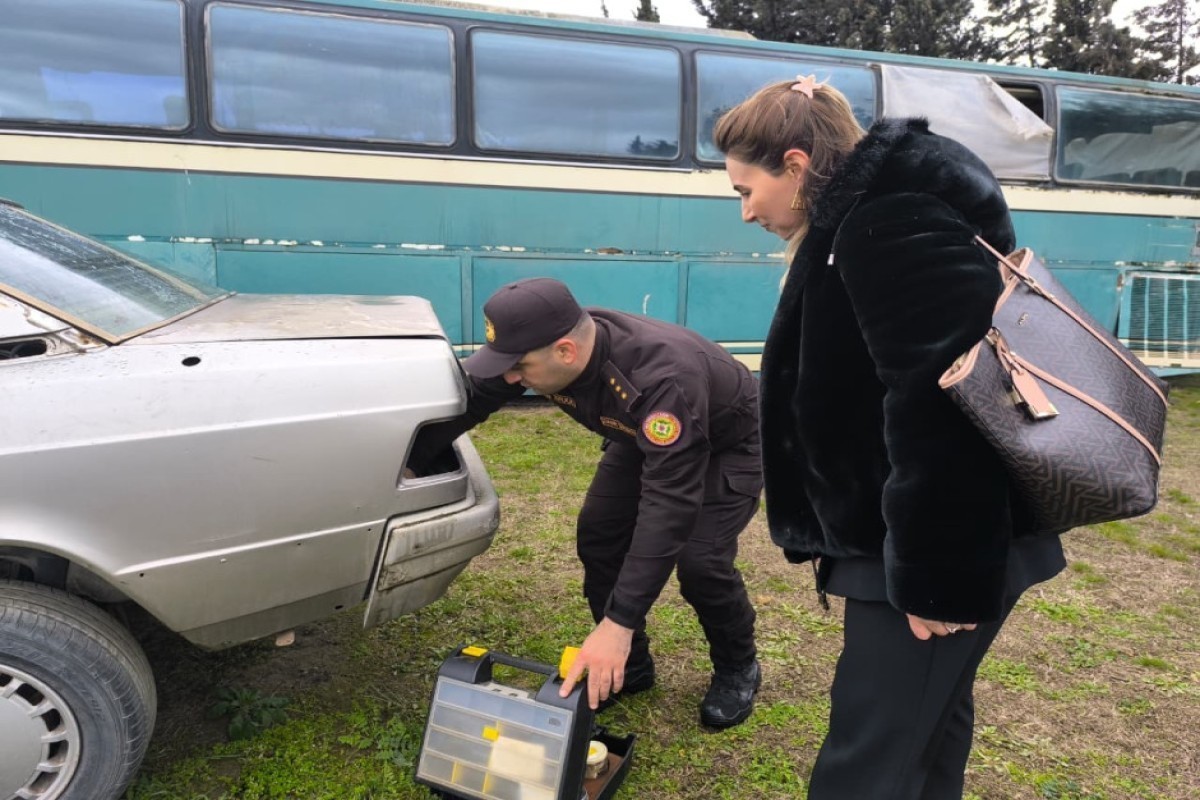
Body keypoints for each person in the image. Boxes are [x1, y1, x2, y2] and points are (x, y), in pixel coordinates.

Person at [714, 76, 1067, 798]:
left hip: (932, 548)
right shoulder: (861, 221)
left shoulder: (884, 221)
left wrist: (935, 578)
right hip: (915, 538)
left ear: (797, 164)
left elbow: (938, 405)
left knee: (867, 761)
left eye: (747, 190)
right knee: (926, 733)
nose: (746, 212)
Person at [409, 277, 763, 728]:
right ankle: (628, 668)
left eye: (518, 367)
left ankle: (737, 667)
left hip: (726, 442)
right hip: (638, 435)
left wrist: (619, 621)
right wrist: (411, 465)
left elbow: (668, 504)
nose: (511, 377)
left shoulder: (663, 377)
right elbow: (474, 399)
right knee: (600, 536)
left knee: (701, 561)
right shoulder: (536, 347)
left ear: (566, 352)